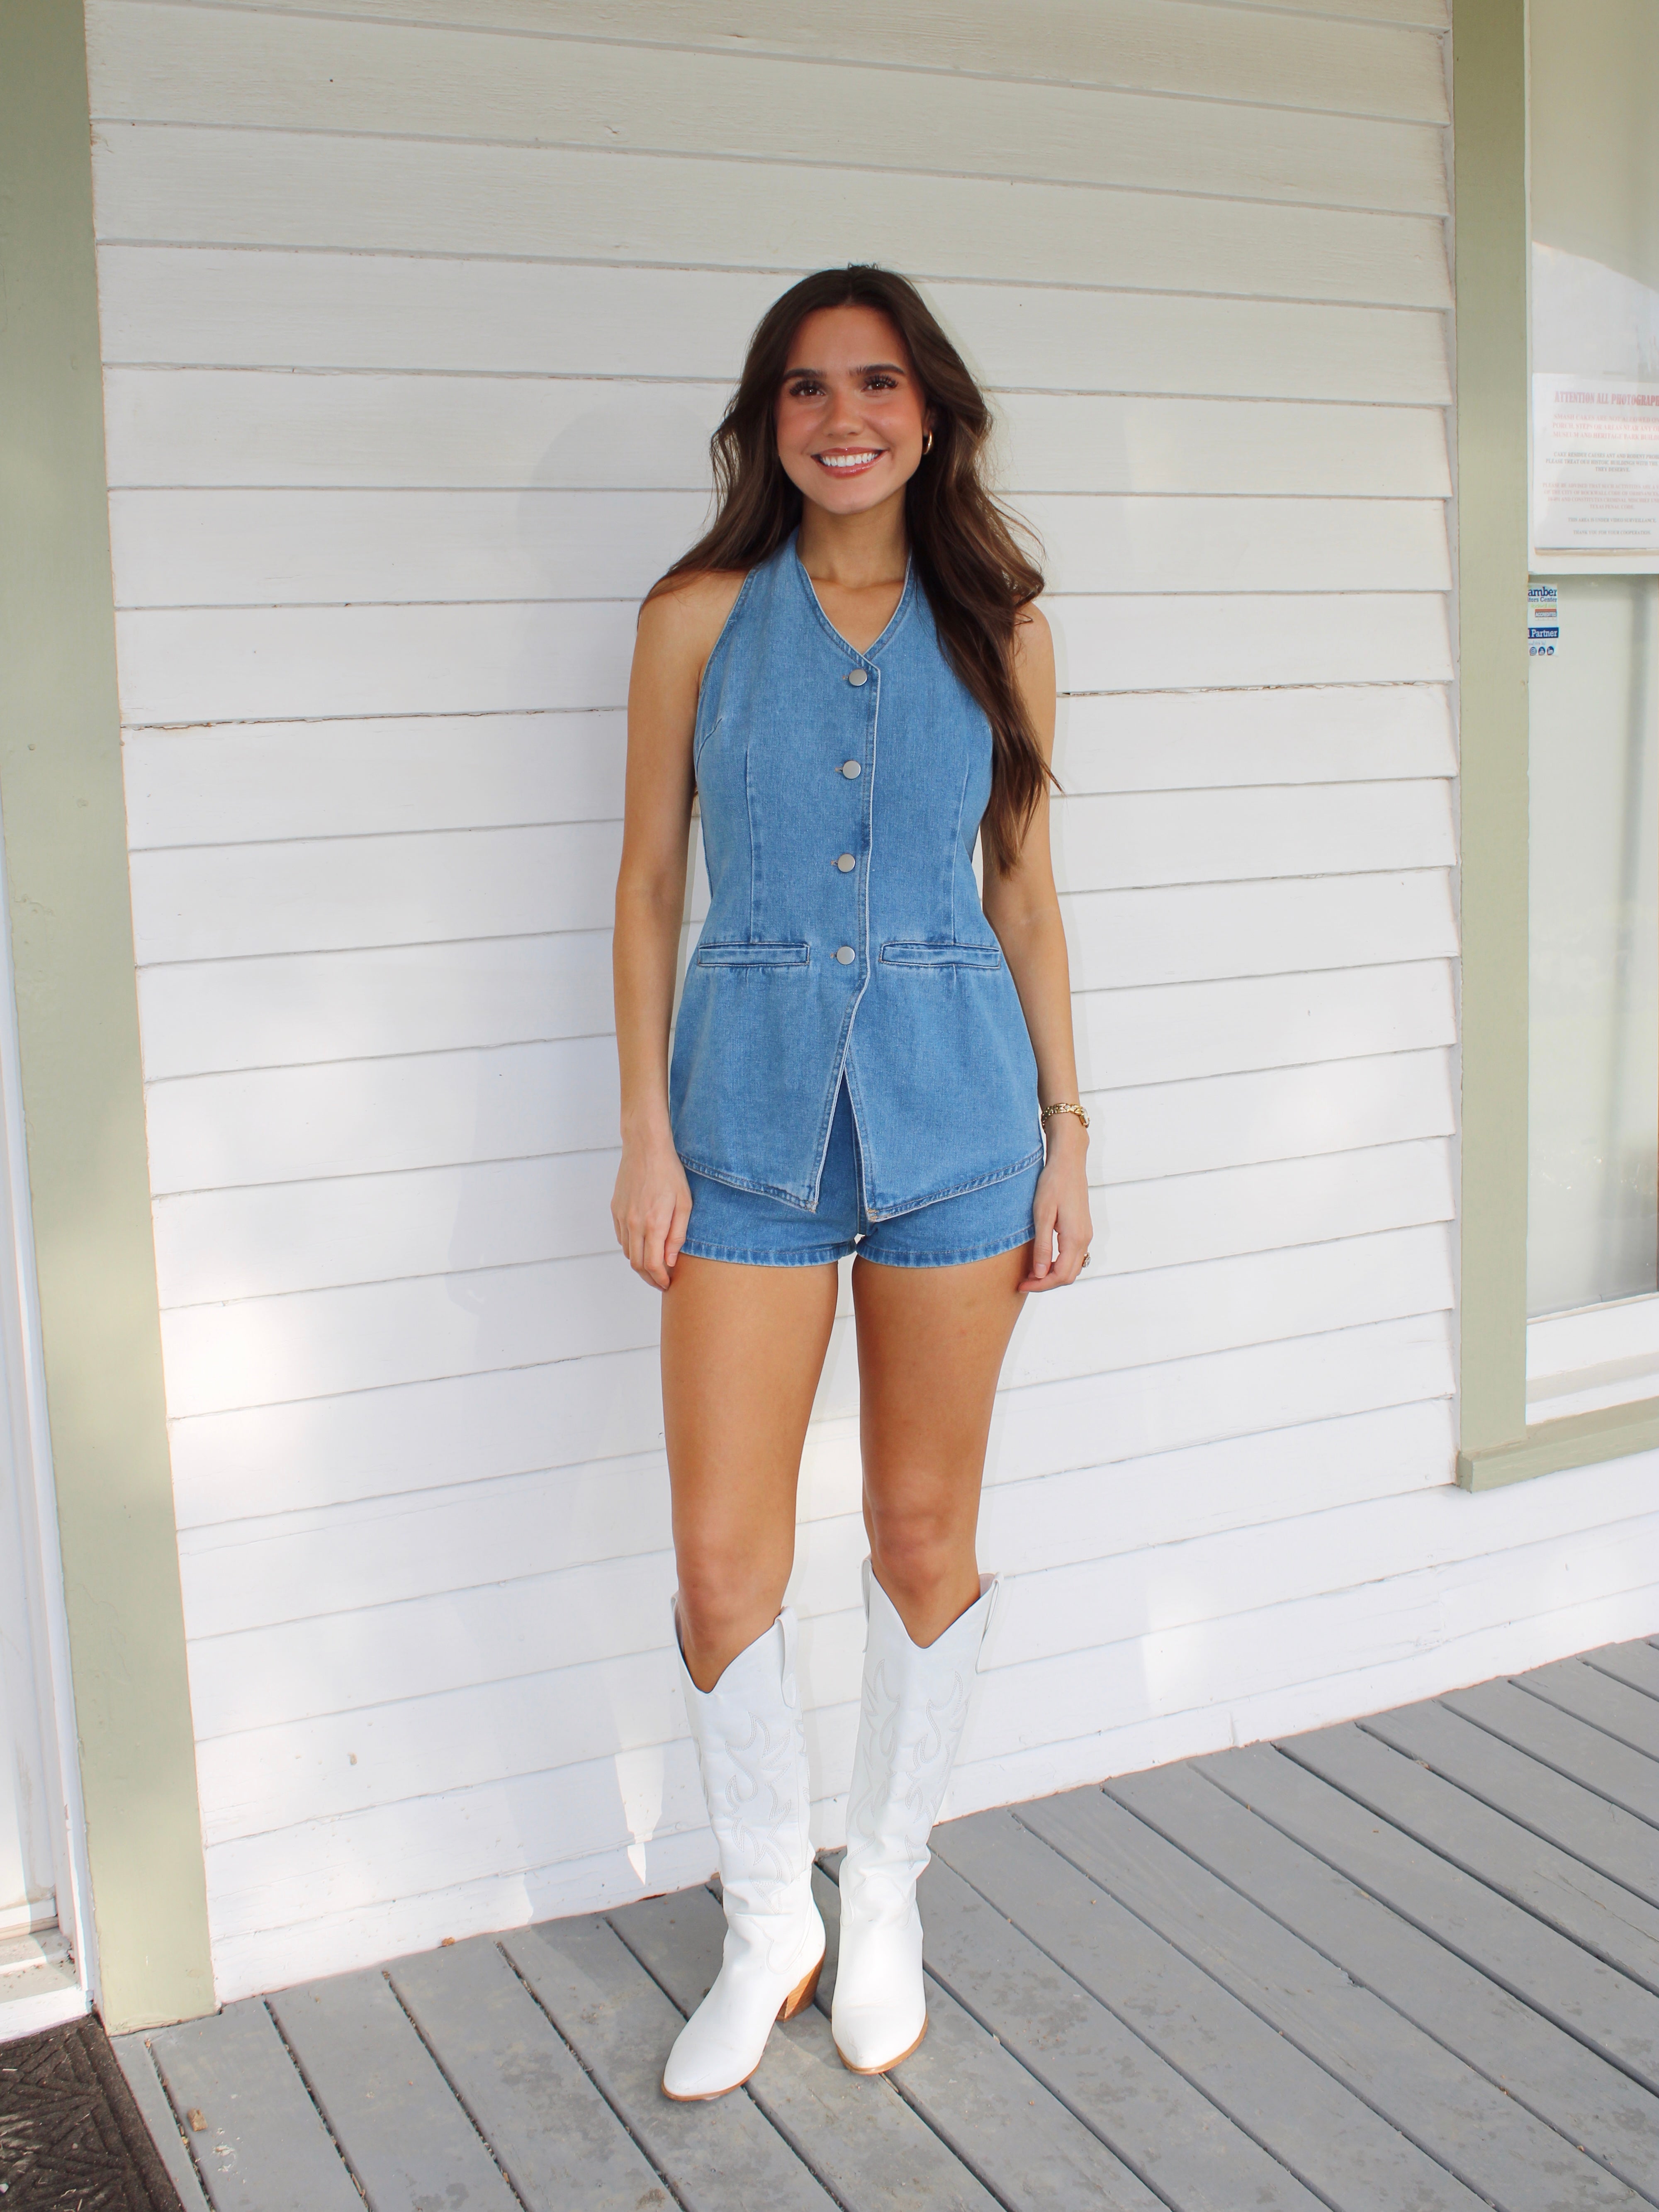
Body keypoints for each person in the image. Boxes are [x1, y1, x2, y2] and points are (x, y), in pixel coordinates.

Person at [611, 265, 1092, 2102]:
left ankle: (879, 1890)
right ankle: (767, 1918)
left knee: (917, 1527)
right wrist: (644, 1132)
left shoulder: (1002, 628)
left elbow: (1023, 892)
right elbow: (651, 883)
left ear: (931, 409)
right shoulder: (693, 618)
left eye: (876, 382)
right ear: (768, 420)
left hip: (959, 1121)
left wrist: (1067, 1131)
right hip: (739, 1127)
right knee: (723, 1556)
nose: (843, 418)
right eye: (806, 387)